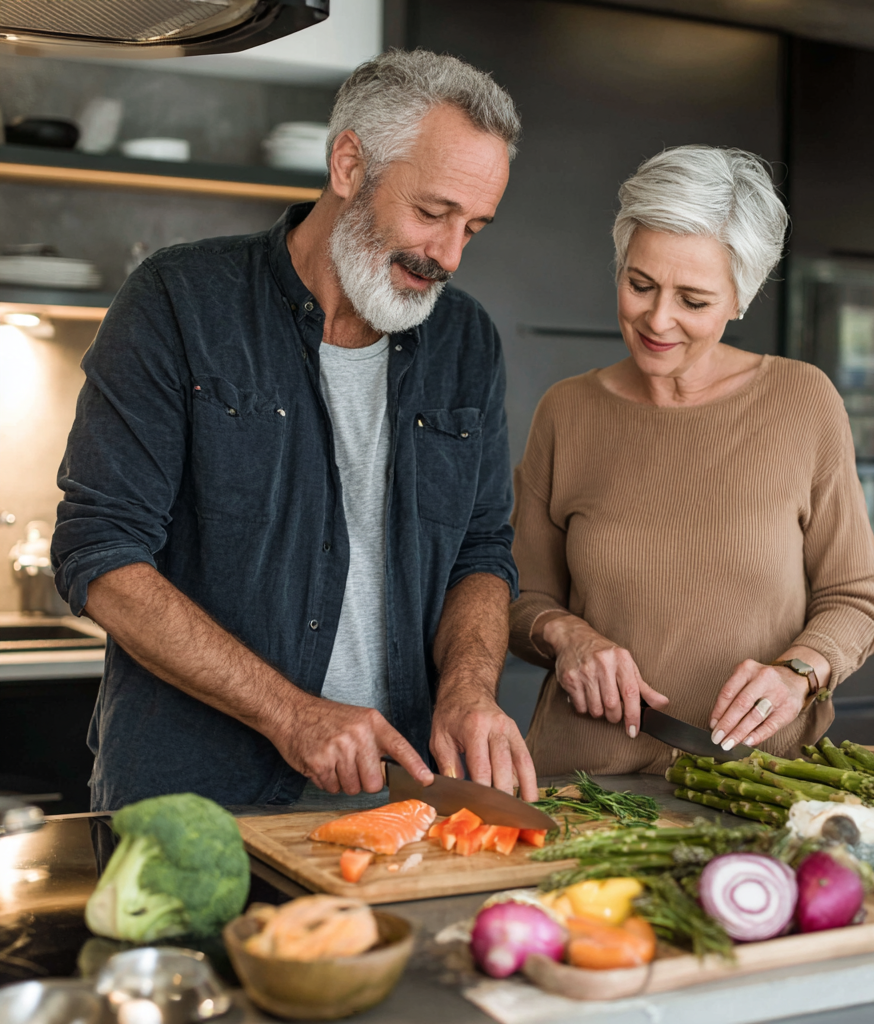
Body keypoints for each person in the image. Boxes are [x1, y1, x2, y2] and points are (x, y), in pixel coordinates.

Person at [52, 50, 538, 811]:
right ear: (349, 164)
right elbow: (99, 551)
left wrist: (468, 691)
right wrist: (291, 714)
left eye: (473, 227)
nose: (447, 255)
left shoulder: (467, 342)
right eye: (433, 212)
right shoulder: (179, 302)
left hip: (399, 795)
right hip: (195, 799)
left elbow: (480, 550)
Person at [508, 145, 874, 777]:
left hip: (756, 783)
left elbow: (855, 597)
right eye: (640, 285)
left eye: (694, 299)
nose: (658, 319)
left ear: (742, 298)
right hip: (581, 785)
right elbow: (521, 599)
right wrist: (565, 635)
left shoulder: (803, 400)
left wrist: (799, 671)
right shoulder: (565, 411)